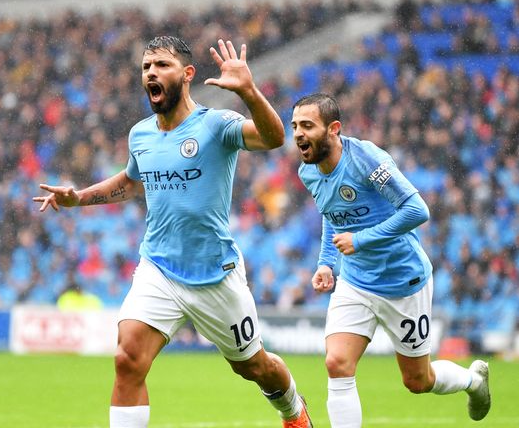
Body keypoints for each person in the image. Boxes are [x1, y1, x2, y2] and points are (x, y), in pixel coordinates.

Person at [34, 36, 312, 428]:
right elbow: (132, 183)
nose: (151, 72)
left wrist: (248, 91)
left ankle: (293, 411)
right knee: (127, 358)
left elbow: (273, 138)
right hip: (159, 268)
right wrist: (79, 198)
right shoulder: (140, 135)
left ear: (187, 74)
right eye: (146, 66)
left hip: (215, 274)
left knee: (255, 367)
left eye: (161, 65)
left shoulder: (216, 124)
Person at [290, 92, 491, 426]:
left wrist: (362, 239)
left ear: (334, 129)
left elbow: (417, 210)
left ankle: (473, 381)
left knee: (417, 381)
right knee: (337, 363)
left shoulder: (365, 158)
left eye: (308, 125)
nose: (298, 133)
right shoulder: (308, 172)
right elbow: (332, 214)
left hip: (403, 282)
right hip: (355, 282)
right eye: (295, 125)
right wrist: (326, 262)